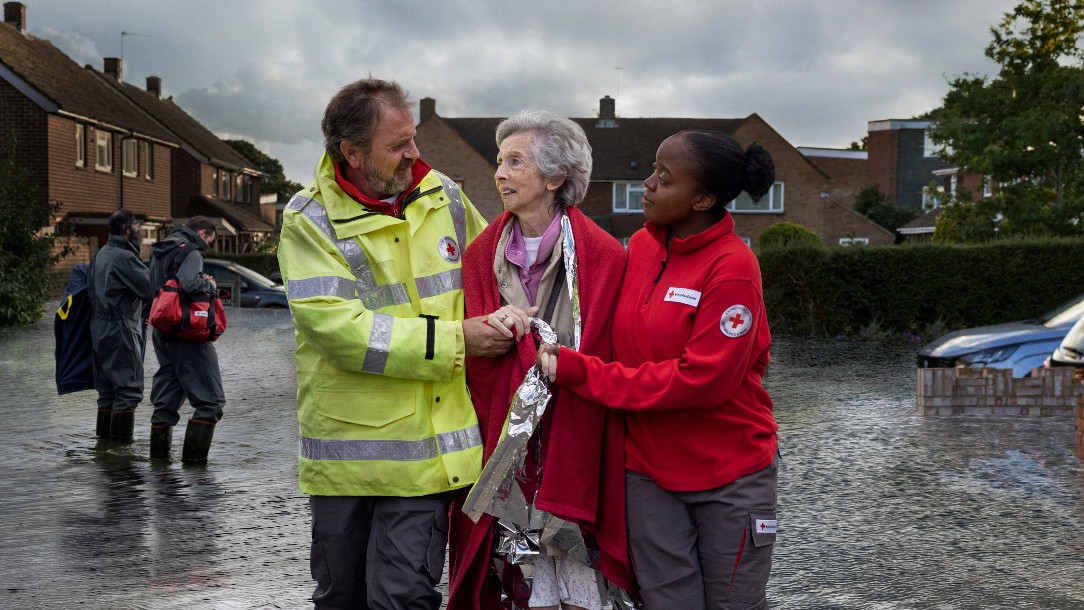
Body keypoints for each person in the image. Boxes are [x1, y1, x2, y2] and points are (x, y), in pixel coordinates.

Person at [277, 77, 512, 610]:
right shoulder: (309, 220)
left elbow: (497, 271)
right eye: (398, 144)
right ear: (351, 153)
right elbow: (338, 330)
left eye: (413, 137)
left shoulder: (445, 196)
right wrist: (458, 340)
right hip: (344, 459)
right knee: (341, 598)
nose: (414, 153)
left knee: (403, 597)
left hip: (428, 453)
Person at [538, 131, 780, 610]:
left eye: (664, 179)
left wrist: (581, 373)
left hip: (728, 476)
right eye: (653, 170)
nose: (647, 184)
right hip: (647, 471)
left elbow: (701, 382)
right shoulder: (642, 249)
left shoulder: (733, 269)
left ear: (703, 200)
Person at [448, 109, 635, 610]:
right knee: (508, 582)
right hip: (502, 446)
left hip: (574, 443)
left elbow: (611, 357)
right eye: (499, 161)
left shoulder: (604, 257)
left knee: (580, 584)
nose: (500, 173)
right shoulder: (478, 255)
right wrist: (489, 335)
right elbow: (468, 359)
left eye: (515, 162)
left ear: (555, 178)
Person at [148, 216, 225, 464]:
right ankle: (195, 470)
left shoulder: (159, 251)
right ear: (202, 232)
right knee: (211, 402)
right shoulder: (190, 251)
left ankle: (159, 468)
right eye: (207, 242)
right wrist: (210, 285)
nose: (204, 249)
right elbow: (191, 284)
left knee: (167, 400)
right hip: (187, 332)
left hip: (162, 329)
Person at [86, 208, 153, 440]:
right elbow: (150, 288)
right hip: (120, 329)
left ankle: (103, 455)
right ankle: (121, 460)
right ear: (126, 229)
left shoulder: (101, 254)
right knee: (128, 391)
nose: (138, 230)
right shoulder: (124, 257)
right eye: (136, 225)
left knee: (107, 393)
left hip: (98, 329)